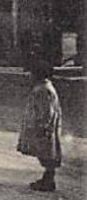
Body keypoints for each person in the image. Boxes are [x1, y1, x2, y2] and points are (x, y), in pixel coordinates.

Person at [17, 57, 63, 192]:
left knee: (47, 153)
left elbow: (46, 111)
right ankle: (47, 178)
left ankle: (49, 180)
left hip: (44, 128)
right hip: (44, 126)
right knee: (46, 152)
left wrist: (42, 126)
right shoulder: (43, 88)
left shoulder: (43, 90)